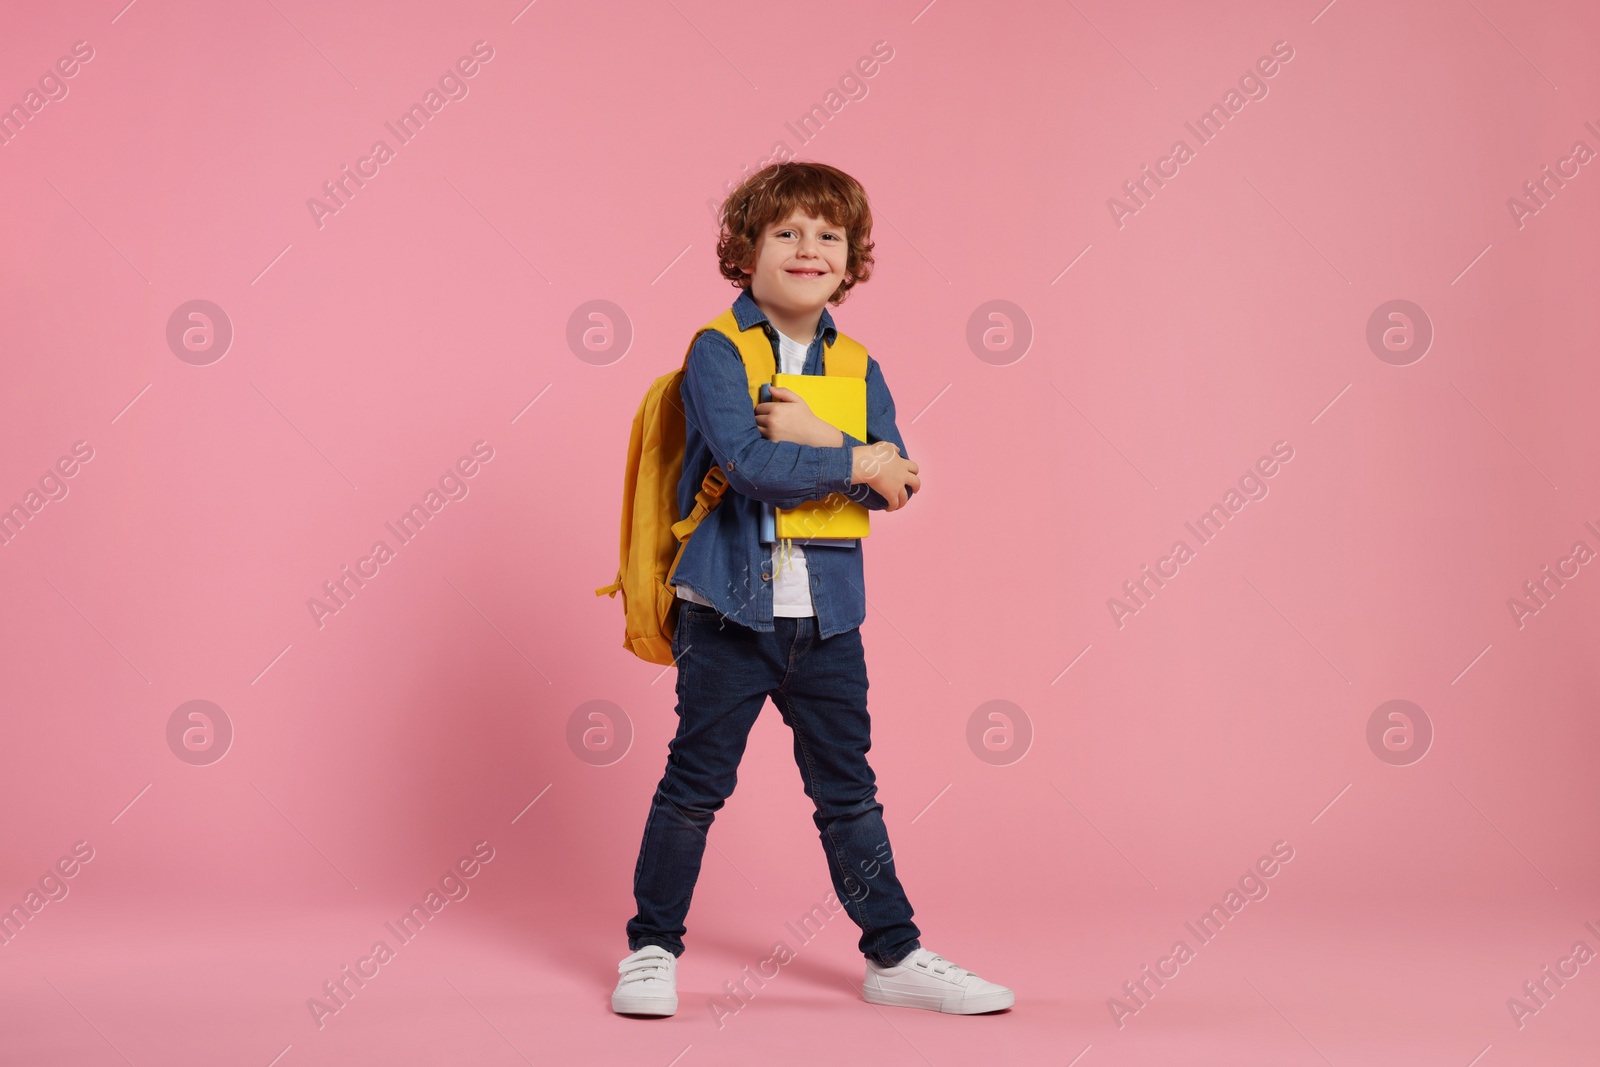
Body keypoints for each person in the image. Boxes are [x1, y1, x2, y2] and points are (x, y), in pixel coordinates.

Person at [612, 161, 1013, 1018]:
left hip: (828, 621)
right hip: (729, 613)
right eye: (786, 231)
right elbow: (751, 468)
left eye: (828, 235)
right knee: (694, 787)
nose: (808, 248)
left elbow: (897, 484)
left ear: (851, 258)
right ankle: (650, 948)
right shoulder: (719, 350)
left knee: (849, 794)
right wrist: (847, 458)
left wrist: (820, 434)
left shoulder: (859, 363)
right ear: (745, 251)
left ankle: (894, 956)